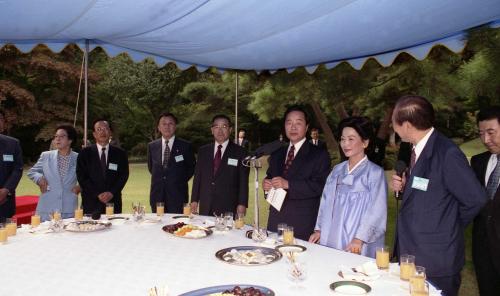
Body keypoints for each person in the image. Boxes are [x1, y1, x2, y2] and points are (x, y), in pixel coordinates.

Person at [391, 95, 487, 296]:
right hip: (412, 253)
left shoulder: (447, 153)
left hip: (436, 260)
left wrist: (448, 224)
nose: (393, 127)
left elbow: (476, 199)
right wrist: (406, 187)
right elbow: (432, 190)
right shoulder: (417, 149)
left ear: (407, 126)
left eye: (394, 122)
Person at [309, 117, 387, 258]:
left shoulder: (374, 173)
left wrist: (360, 238)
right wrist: (319, 229)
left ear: (365, 142)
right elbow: (325, 202)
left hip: (356, 240)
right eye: (343, 139)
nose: (345, 144)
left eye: (351, 139)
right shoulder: (336, 171)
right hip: (331, 235)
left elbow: (377, 211)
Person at [263, 105, 330, 240]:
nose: (293, 127)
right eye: (289, 122)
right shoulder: (277, 154)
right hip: (275, 221)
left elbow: (320, 186)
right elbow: (270, 177)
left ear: (306, 127)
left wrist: (289, 184)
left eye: (298, 123)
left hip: (302, 223)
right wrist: (267, 186)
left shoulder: (319, 154)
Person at [191, 115, 249, 216]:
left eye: (224, 127)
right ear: (212, 130)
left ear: (230, 130)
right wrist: (194, 199)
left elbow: (243, 181)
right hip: (206, 204)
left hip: (228, 205)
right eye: (217, 127)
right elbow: (198, 177)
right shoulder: (203, 151)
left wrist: (242, 204)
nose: (220, 130)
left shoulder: (240, 152)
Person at [470, 107, 500, 296]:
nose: (485, 140)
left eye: (491, 133)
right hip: (482, 251)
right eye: (481, 134)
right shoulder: (478, 161)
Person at [27, 125, 80, 221]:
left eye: (62, 136)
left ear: (70, 140)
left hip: (69, 208)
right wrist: (39, 178)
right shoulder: (46, 156)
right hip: (47, 208)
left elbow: (88, 176)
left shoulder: (79, 158)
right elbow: (32, 172)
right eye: (56, 136)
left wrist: (80, 187)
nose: (57, 139)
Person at [76, 119, 129, 215]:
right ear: (94, 134)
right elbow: (82, 177)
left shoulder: (120, 153)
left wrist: (111, 192)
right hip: (91, 202)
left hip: (113, 202)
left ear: (110, 132)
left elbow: (123, 176)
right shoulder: (84, 153)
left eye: (105, 129)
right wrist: (97, 194)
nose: (102, 132)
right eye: (99, 129)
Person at [148, 112, 195, 214]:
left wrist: (176, 180)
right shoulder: (152, 146)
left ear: (175, 126)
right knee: (156, 227)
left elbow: (191, 168)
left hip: (178, 196)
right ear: (159, 127)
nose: (167, 127)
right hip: (157, 197)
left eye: (170, 124)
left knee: (177, 227)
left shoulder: (186, 146)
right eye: (164, 124)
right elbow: (151, 168)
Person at [0, 110, 23, 223]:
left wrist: (6, 190)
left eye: (0, 119)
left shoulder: (13, 144)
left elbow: (17, 169)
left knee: (8, 238)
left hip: (5, 203)